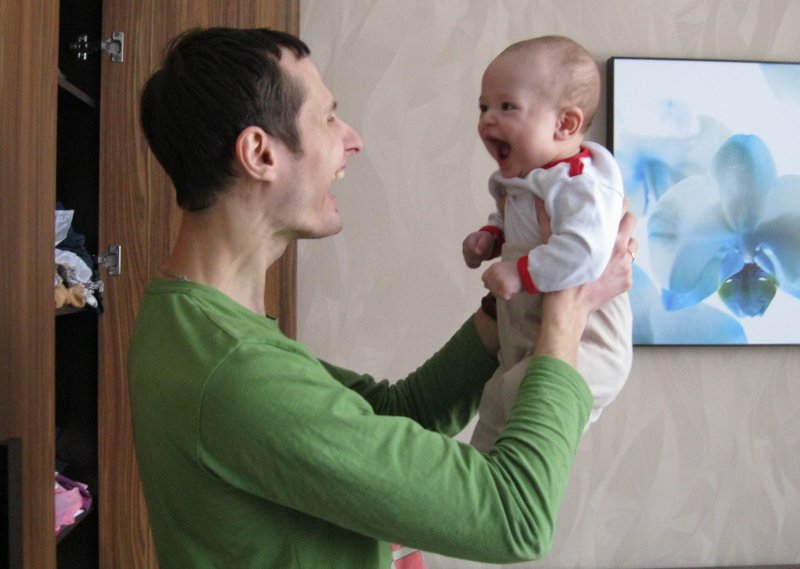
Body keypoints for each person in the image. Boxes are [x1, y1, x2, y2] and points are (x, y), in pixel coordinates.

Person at [129, 27, 637, 569]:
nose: (352, 139)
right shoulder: (236, 372)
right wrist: (566, 310)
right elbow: (515, 519)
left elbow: (393, 416)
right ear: (260, 153)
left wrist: (507, 312)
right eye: (328, 118)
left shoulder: (198, 325)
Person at [463, 36, 633, 451]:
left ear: (565, 125)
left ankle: (516, 475)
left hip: (589, 342)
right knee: (496, 400)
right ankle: (479, 474)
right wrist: (491, 236)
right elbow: (514, 220)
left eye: (507, 107)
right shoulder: (526, 179)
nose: (488, 120)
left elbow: (585, 252)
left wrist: (519, 273)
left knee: (520, 395)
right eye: (484, 107)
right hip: (527, 336)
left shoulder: (580, 184)